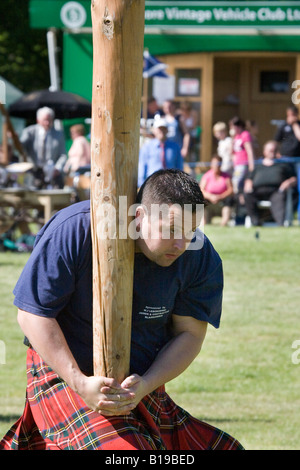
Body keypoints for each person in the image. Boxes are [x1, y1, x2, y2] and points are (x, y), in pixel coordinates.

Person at [0, 169, 244, 451]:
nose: (181, 244)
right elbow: (32, 315)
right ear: (140, 217)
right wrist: (80, 383)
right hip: (64, 370)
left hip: (137, 380)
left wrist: (146, 384)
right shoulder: (77, 230)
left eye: (191, 231)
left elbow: (189, 334)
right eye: (171, 230)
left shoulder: (198, 255)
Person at [244, 140, 297, 226]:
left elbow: (294, 179)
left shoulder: (283, 164)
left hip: (276, 191)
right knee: (247, 195)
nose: (272, 152)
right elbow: (249, 178)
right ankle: (255, 222)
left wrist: (287, 183)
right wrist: (248, 184)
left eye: (274, 150)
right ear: (264, 152)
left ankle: (280, 224)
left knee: (280, 198)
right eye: (270, 150)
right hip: (258, 191)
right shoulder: (258, 165)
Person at [20, 107, 67, 188]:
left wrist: (58, 168)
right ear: (38, 120)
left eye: (49, 120)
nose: (47, 123)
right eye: (45, 120)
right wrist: (13, 138)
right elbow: (20, 147)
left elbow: (63, 154)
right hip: (34, 171)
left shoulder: (58, 134)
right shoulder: (29, 132)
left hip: (52, 171)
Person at [138, 118, 183, 187]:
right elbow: (142, 167)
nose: (162, 131)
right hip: (152, 185)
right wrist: (141, 186)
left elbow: (179, 167)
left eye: (164, 128)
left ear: (167, 130)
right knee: (122, 198)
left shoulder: (175, 147)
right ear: (154, 130)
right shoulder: (147, 147)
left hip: (170, 185)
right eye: (159, 129)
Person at [200, 155, 234, 226]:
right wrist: (211, 196)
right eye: (214, 163)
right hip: (209, 200)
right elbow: (201, 190)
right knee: (200, 200)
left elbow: (230, 190)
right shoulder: (207, 176)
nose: (216, 166)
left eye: (218, 163)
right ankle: (203, 222)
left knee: (229, 200)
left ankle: (223, 223)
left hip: (222, 199)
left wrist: (220, 196)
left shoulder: (226, 176)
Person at [229, 117, 255, 194]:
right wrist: (232, 138)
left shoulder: (245, 135)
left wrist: (251, 165)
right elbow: (232, 152)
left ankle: (239, 199)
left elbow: (249, 151)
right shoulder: (236, 137)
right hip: (237, 165)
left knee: (236, 181)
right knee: (236, 182)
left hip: (244, 164)